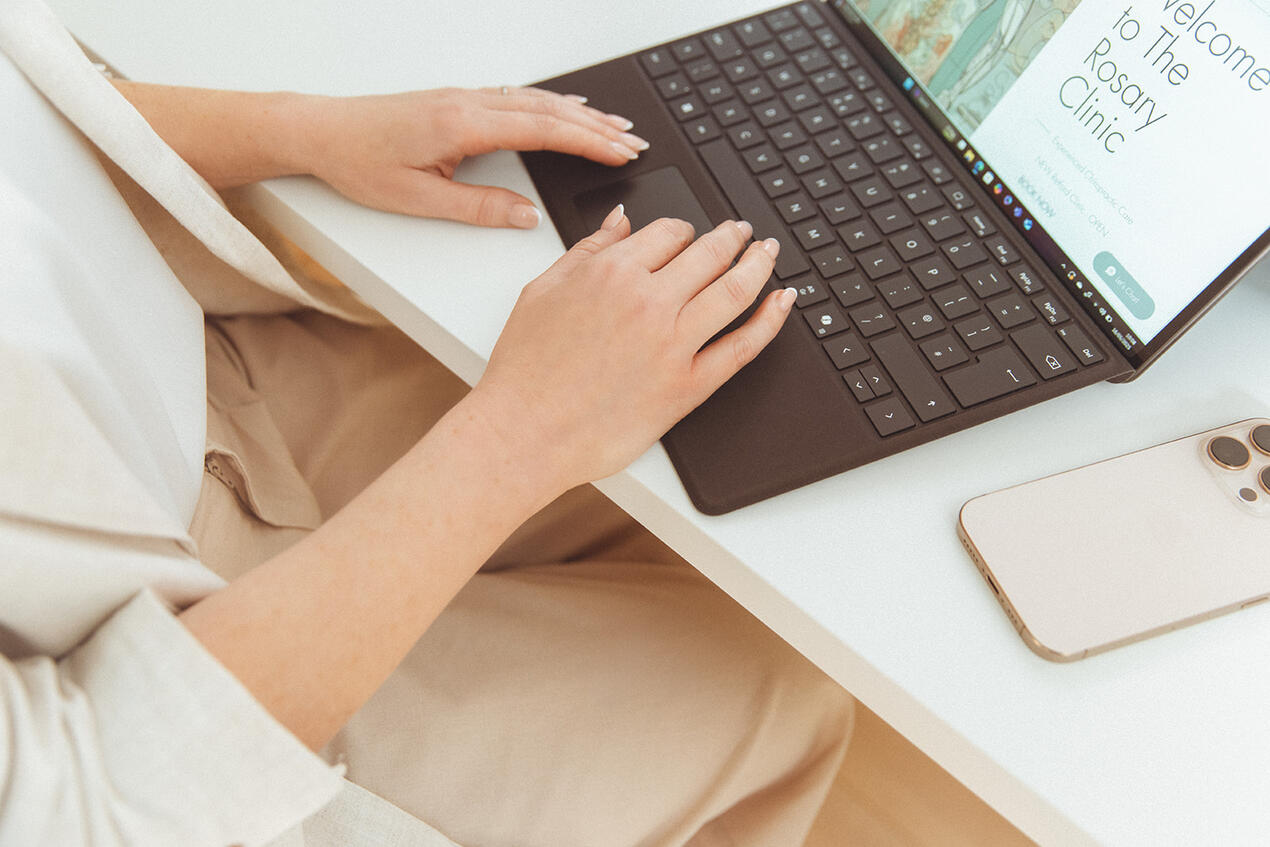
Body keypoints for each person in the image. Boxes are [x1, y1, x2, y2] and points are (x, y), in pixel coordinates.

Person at [0, 1, 854, 845]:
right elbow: (96, 797)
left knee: (719, 466)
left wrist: (304, 131)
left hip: (187, 370)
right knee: (786, 688)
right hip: (193, 694)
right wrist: (523, 428)